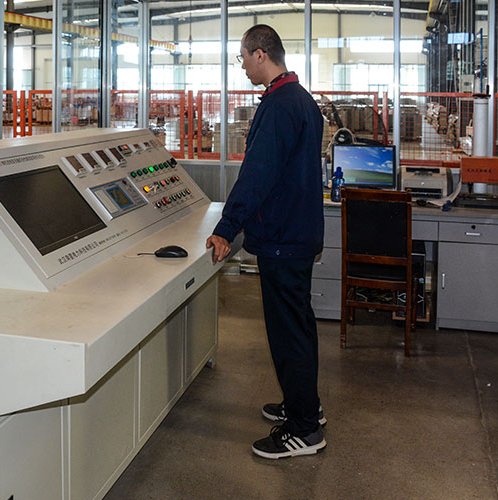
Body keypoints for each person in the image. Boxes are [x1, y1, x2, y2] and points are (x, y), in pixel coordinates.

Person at [205, 24, 326, 459]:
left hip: (283, 237)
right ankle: (304, 406)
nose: (242, 68)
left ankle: (304, 431)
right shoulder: (301, 99)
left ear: (260, 54)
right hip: (297, 232)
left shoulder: (278, 105)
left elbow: (257, 175)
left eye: (242, 58)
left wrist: (226, 228)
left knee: (288, 333)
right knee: (299, 326)